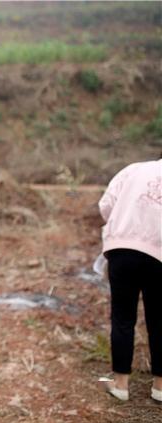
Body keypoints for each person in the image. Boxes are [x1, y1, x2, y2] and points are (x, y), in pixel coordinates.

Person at [98, 157, 161, 402]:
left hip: (122, 249)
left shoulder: (134, 170)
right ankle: (160, 387)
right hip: (160, 256)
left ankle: (121, 384)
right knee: (159, 319)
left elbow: (106, 205)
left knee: (122, 317)